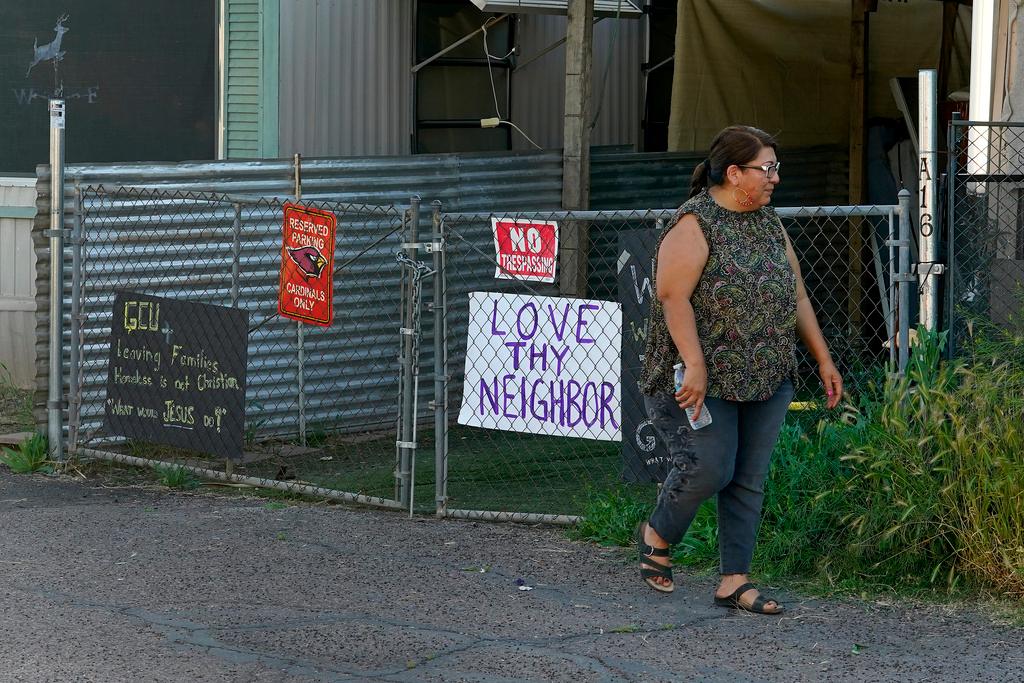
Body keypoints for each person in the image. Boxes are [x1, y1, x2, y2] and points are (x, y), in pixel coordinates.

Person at [635, 125, 843, 614]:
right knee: (709, 466)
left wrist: (824, 358)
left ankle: (734, 580)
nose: (775, 178)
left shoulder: (769, 223)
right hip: (701, 380)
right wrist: (696, 364)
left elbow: (797, 295)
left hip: (766, 375)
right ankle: (658, 532)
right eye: (766, 169)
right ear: (734, 173)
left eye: (776, 168)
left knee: (748, 478)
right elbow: (673, 296)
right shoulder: (695, 223)